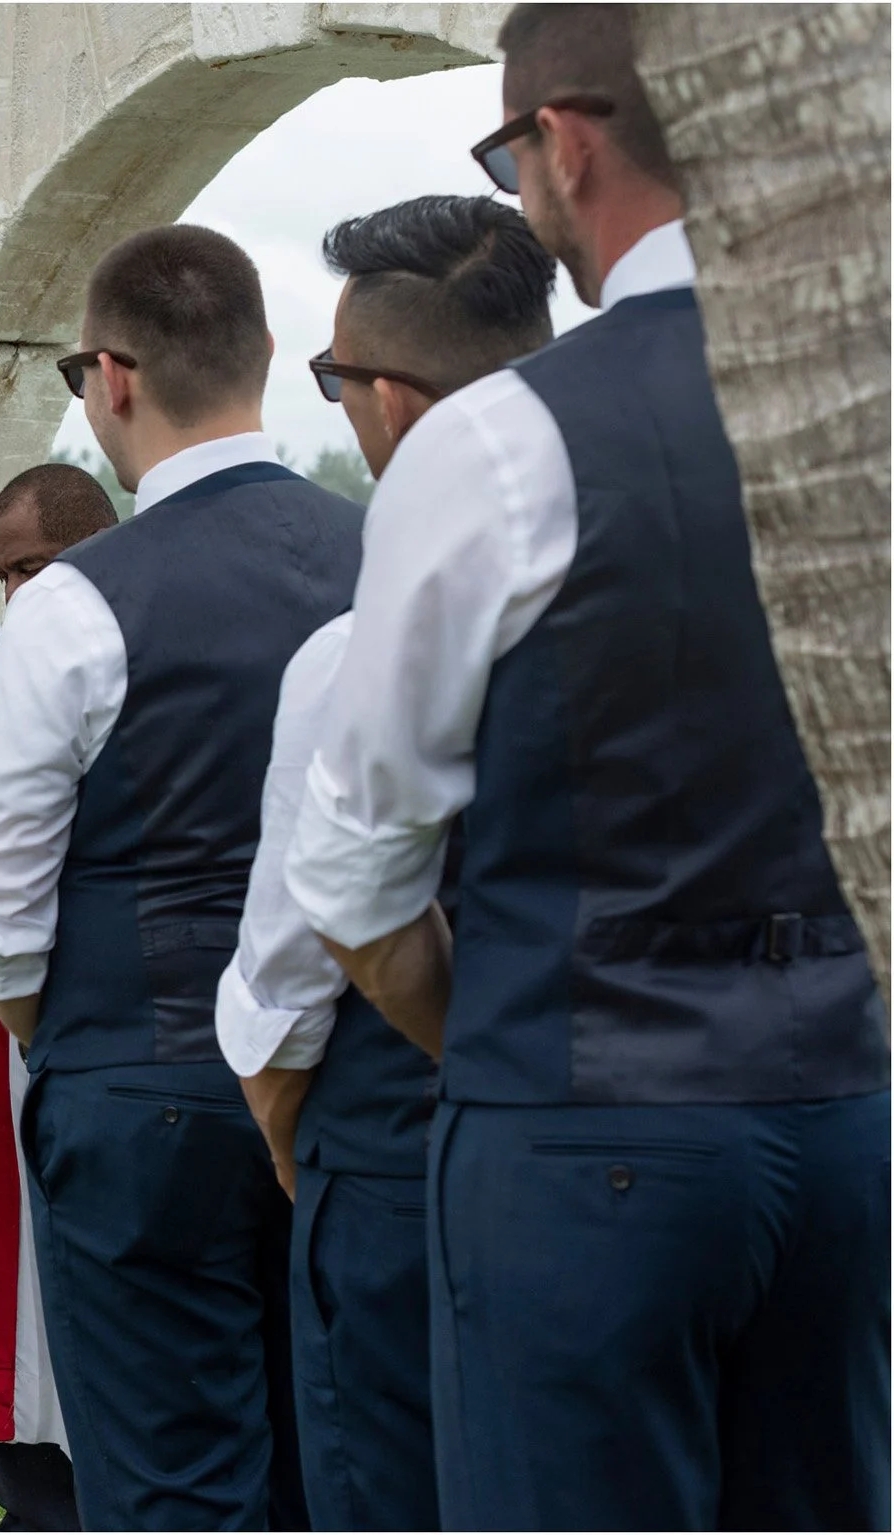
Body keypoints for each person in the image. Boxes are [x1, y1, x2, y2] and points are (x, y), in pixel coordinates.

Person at [283, 8, 890, 1528]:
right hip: (847, 1117)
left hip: (581, 1125)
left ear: (564, 137)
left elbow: (356, 872)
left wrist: (485, 1036)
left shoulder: (494, 445)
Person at [0, 225, 359, 1530]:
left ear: (110, 377)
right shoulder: (388, 559)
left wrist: (77, 1039)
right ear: (270, 359)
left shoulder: (74, 604)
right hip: (364, 1090)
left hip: (143, 1083)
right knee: (341, 1470)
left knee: (172, 1487)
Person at [218, 195, 554, 1532]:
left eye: (334, 380)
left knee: (388, 1480)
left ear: (398, 404)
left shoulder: (350, 649)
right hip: (672, 1113)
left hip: (404, 1118)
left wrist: (303, 1121)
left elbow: (309, 938)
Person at [0, 464, 117, 1532]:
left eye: (34, 566)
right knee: (17, 1270)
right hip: (1, 1001)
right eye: (3, 573)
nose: (18, 594)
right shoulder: (7, 662)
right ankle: (34, 1484)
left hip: (73, 999)